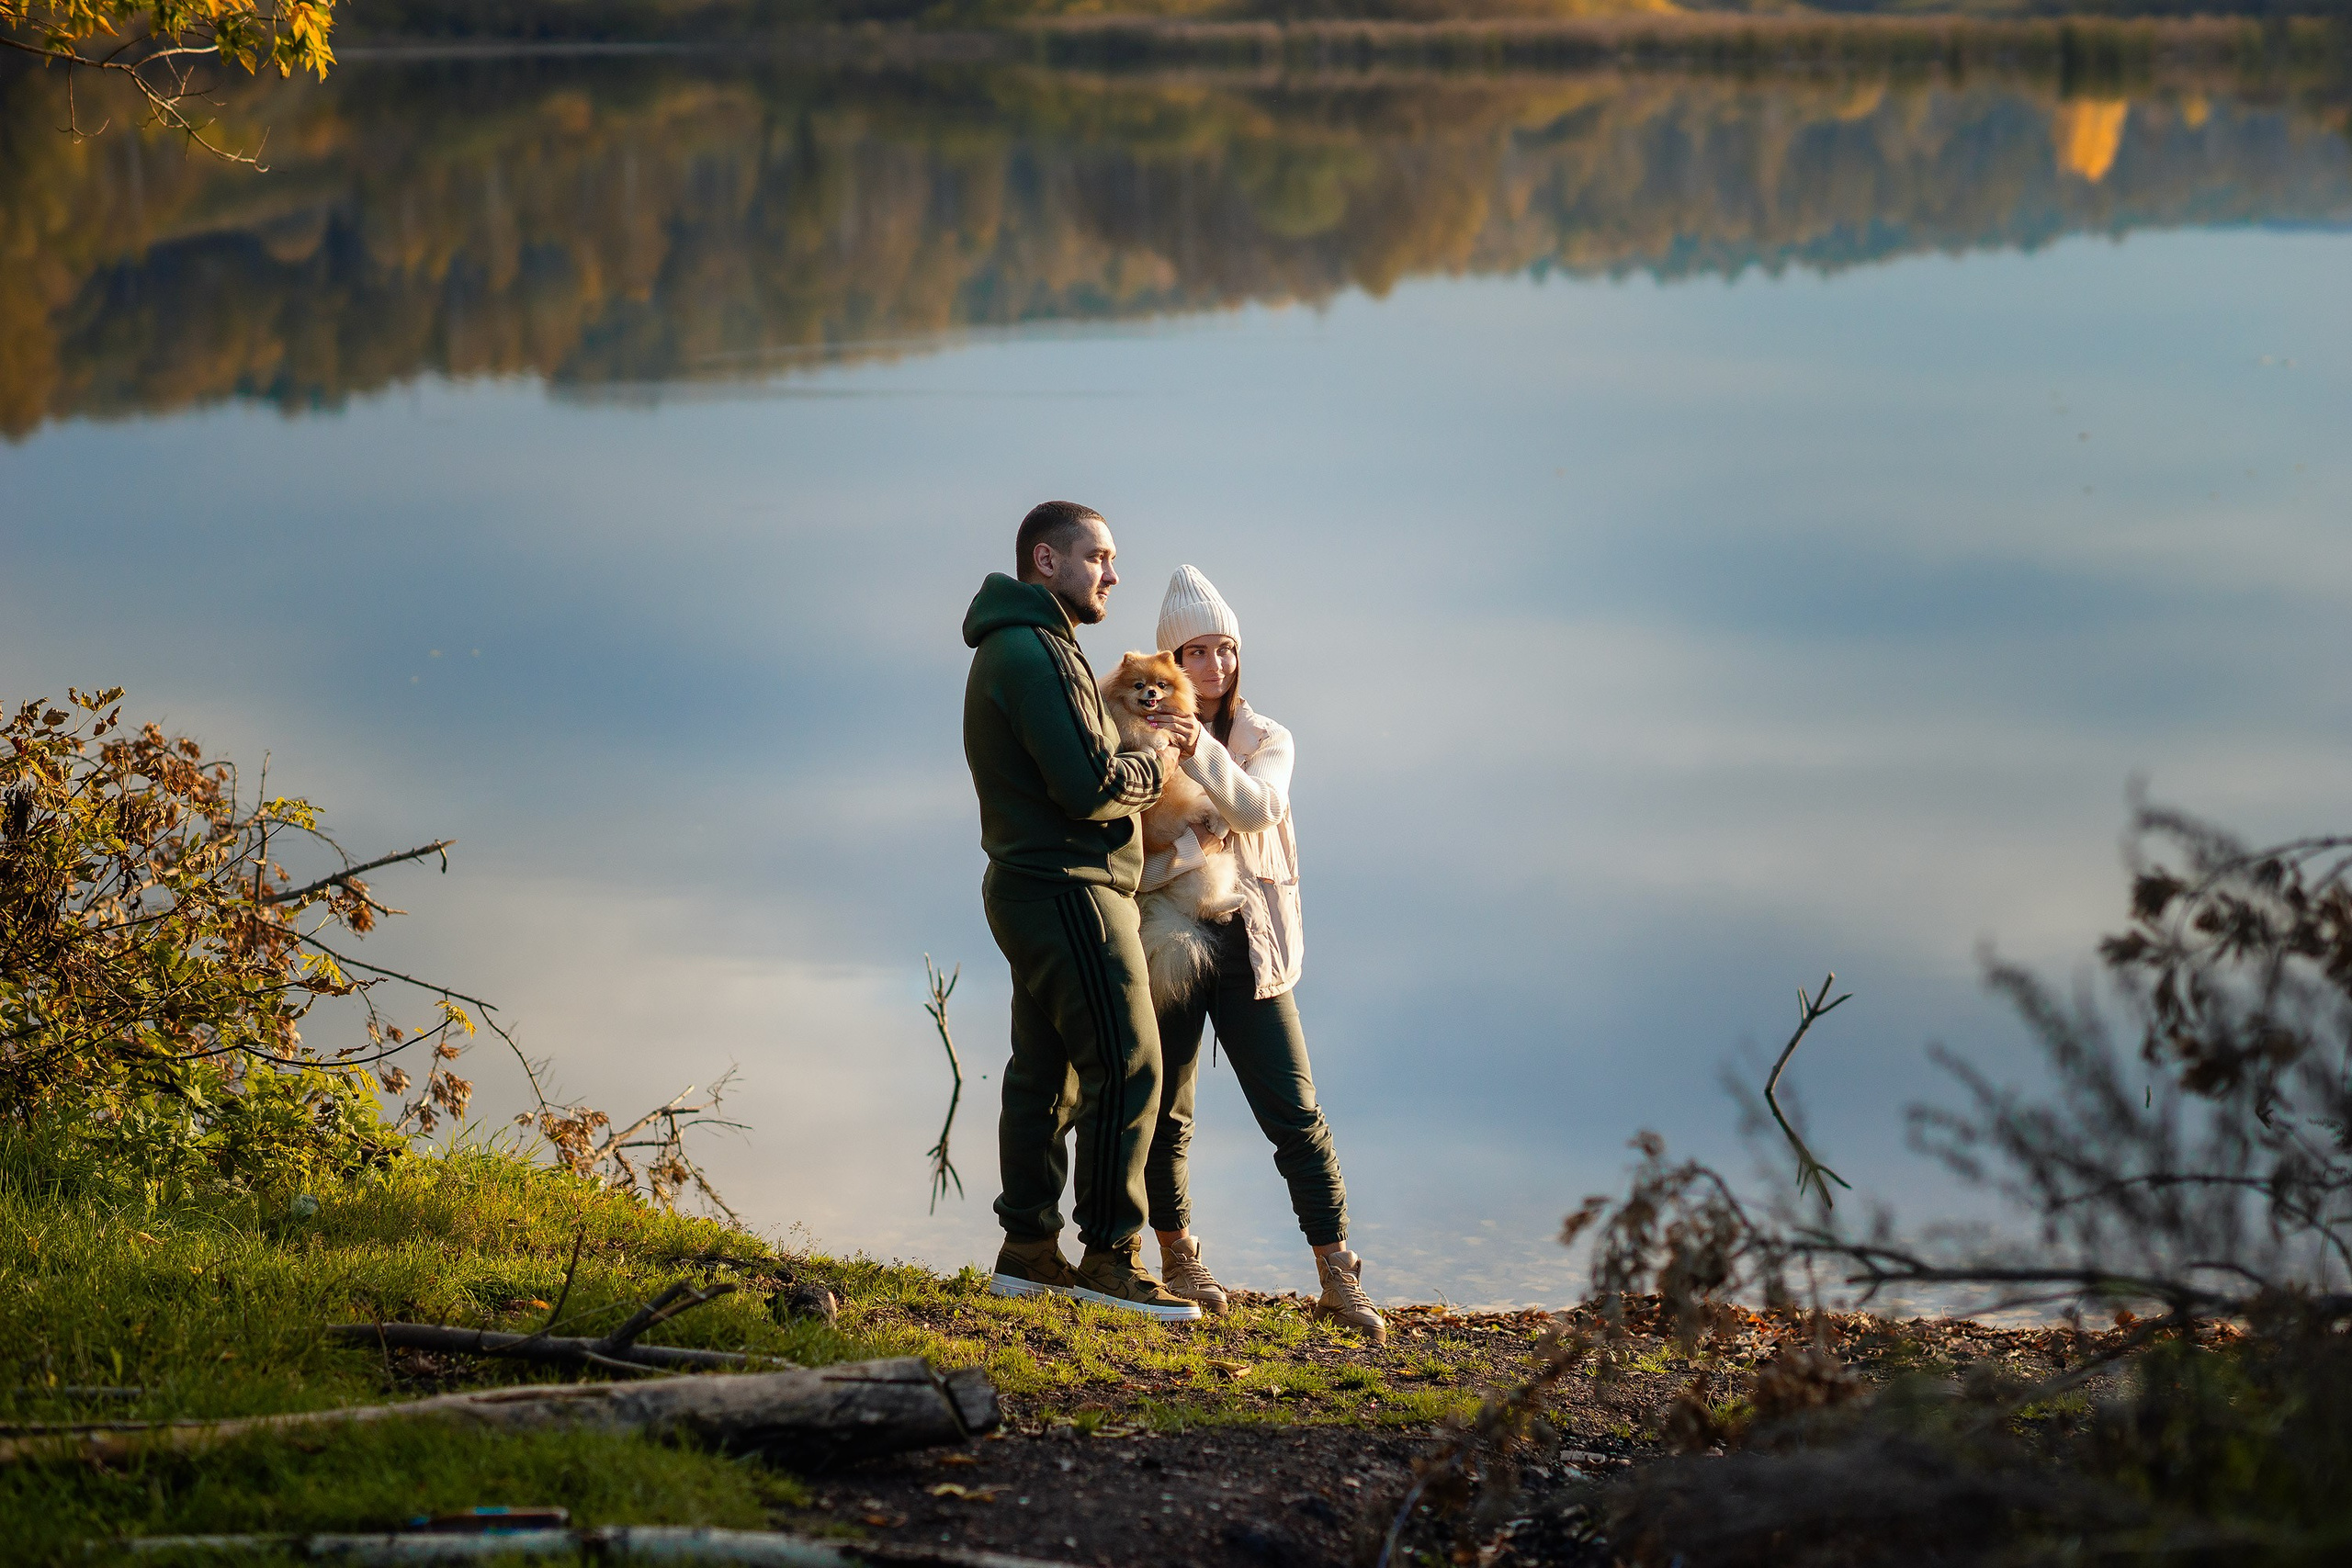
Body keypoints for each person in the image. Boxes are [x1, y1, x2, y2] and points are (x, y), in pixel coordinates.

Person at [960, 502, 1202, 1321]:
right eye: (1098, 556)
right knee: (1130, 1063)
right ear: (1046, 559)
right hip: (1070, 888)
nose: (1112, 574)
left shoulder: (1015, 644)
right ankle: (1110, 1258)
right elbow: (1092, 784)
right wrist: (1156, 758)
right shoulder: (1038, 652)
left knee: (1047, 1072)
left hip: (1031, 886)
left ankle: (1028, 1251)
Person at [1135, 565, 1385, 1345]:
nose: (1213, 666)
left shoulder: (1267, 737)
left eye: (1225, 649)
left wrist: (1198, 754)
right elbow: (1133, 860)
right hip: (1168, 936)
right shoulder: (1137, 733)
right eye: (1195, 653)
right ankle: (1179, 1259)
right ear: (1171, 660)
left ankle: (1337, 1272)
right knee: (1166, 1110)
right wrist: (1192, 846)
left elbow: (1258, 806)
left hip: (1254, 942)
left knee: (1295, 1111)